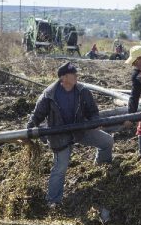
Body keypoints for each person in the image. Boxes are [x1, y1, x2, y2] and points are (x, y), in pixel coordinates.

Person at [26, 62, 114, 206]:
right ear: (64, 77)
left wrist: (95, 121)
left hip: (80, 130)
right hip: (59, 136)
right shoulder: (49, 95)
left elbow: (93, 112)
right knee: (60, 168)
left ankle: (101, 170)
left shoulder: (82, 91)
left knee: (107, 142)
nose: (76, 76)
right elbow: (36, 116)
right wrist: (28, 131)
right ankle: (53, 201)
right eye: (74, 74)